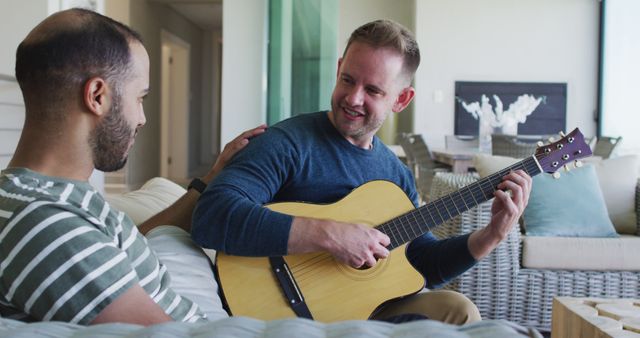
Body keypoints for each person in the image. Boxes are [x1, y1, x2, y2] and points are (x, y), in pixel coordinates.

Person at [192, 19, 532, 324]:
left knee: (458, 309)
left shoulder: (394, 174)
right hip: (279, 310)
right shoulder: (287, 142)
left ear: (401, 99)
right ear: (339, 68)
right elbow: (211, 214)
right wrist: (330, 235)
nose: (353, 98)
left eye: (372, 90)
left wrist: (493, 234)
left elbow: (421, 263)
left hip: (359, 311)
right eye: (348, 80)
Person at [0, 8, 266, 325]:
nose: (142, 118)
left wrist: (208, 180)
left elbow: (115, 253)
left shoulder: (42, 199)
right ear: (97, 96)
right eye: (139, 98)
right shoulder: (45, 224)